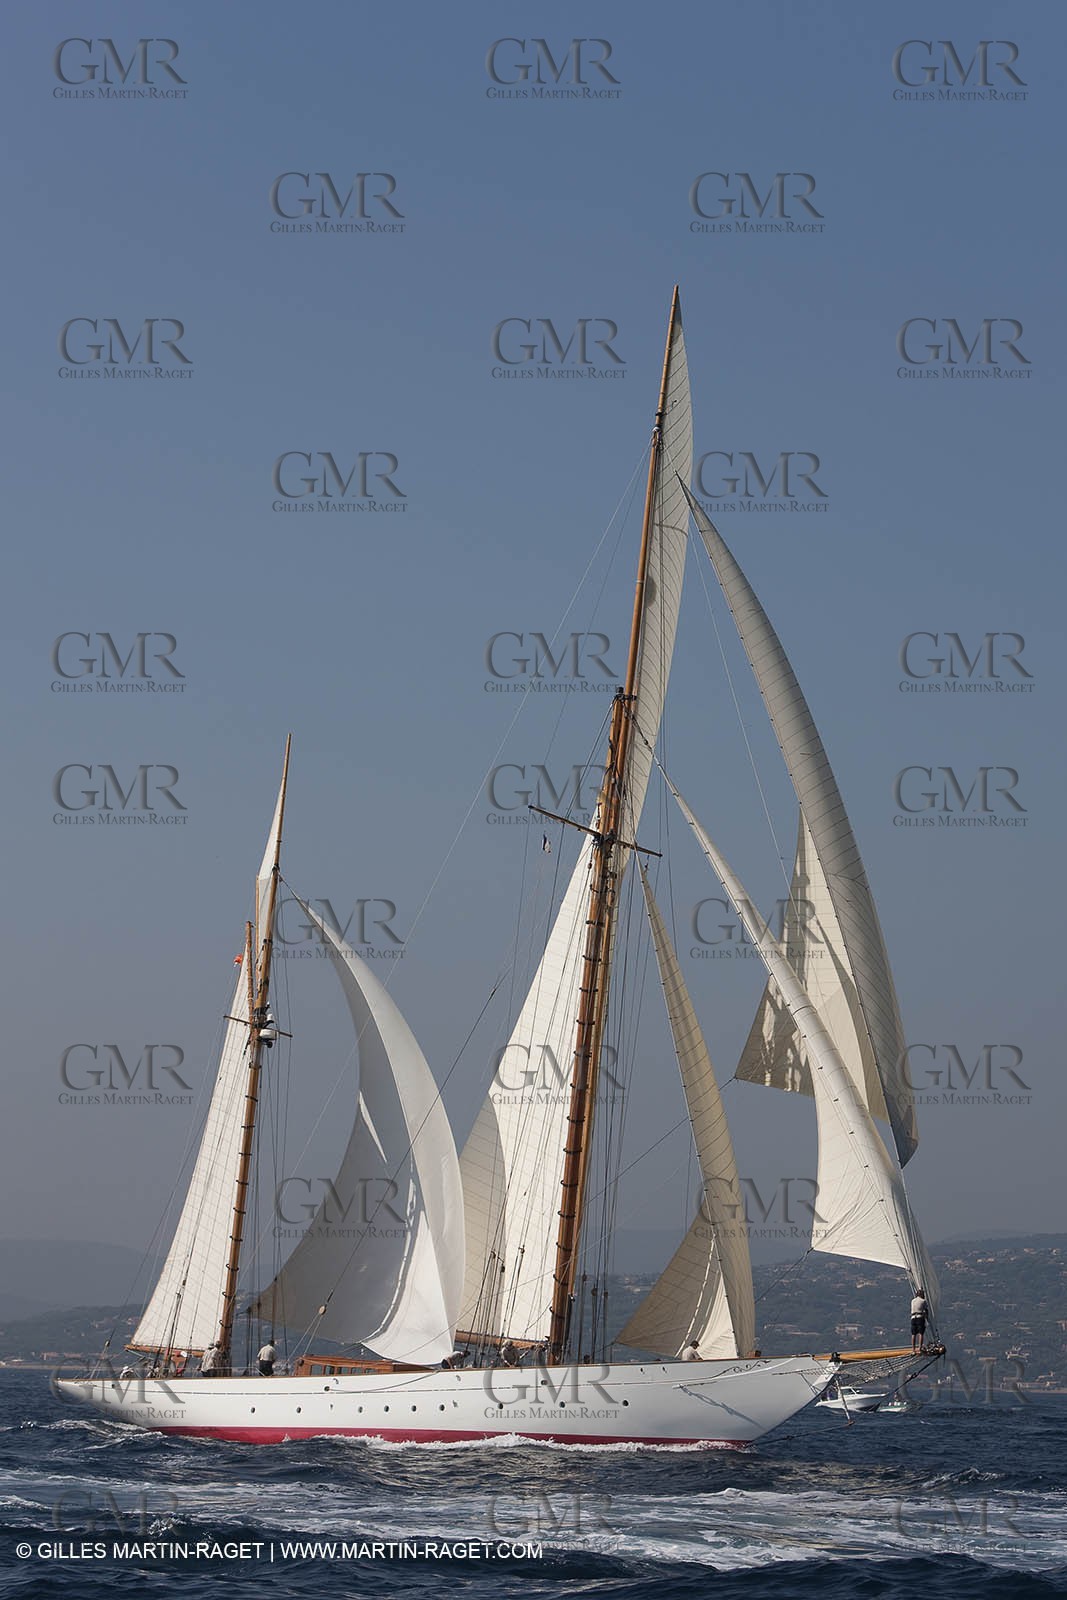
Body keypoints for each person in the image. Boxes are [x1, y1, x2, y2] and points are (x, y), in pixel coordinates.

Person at [910, 1287, 929, 1353]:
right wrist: (927, 1317)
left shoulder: (912, 1300)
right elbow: (926, 1310)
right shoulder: (923, 1301)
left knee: (913, 1334)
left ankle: (913, 1349)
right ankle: (920, 1348)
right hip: (920, 1317)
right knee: (921, 1333)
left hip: (913, 1318)